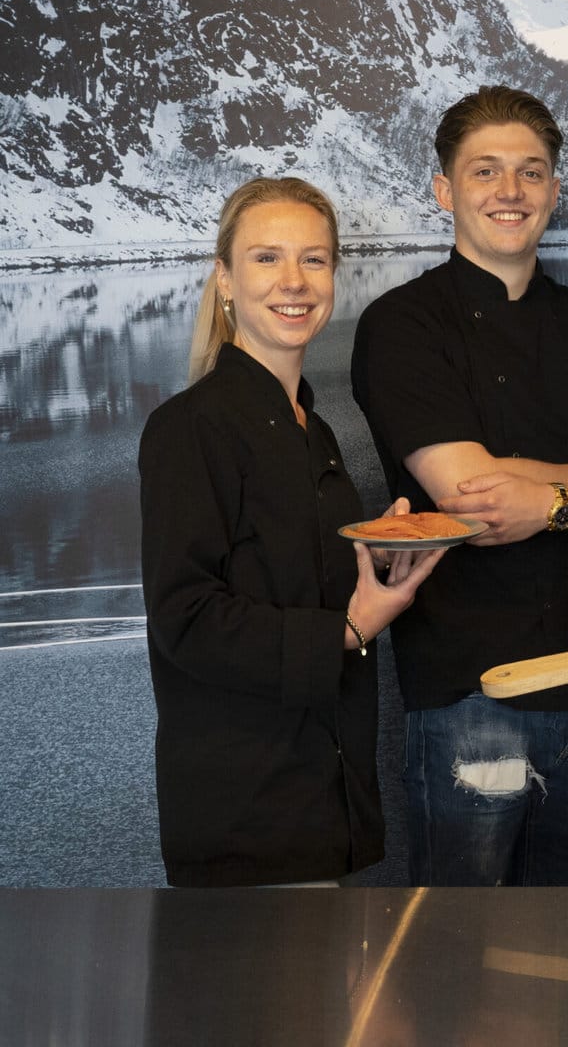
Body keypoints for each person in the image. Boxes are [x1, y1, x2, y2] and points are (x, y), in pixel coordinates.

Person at [351, 87, 568, 885]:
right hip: (471, 693)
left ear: (554, 189)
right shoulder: (403, 325)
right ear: (445, 189)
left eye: (530, 171)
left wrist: (547, 503)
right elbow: (473, 498)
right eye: (485, 171)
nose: (510, 191)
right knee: (461, 941)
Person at [139, 177, 441, 886]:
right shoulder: (189, 428)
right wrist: (351, 628)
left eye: (314, 259)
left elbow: (288, 576)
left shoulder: (313, 428)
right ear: (225, 278)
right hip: (246, 808)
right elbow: (186, 620)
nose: (295, 281)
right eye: (267, 258)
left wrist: (380, 557)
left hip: (319, 798)